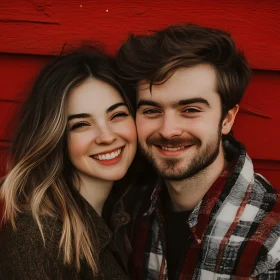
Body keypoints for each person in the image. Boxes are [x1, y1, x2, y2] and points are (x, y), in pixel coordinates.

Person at [116, 24, 280, 279]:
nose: (168, 131)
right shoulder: (129, 209)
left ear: (227, 119)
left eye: (190, 109)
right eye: (151, 110)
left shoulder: (273, 242)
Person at [0, 47, 137, 279]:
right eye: (81, 124)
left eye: (117, 115)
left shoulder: (128, 209)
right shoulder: (38, 236)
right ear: (56, 138)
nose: (106, 136)